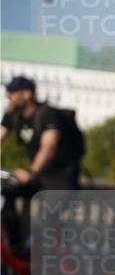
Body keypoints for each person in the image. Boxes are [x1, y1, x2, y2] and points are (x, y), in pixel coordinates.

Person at [1, 76, 84, 255]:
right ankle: (16, 248)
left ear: (27, 94)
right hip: (39, 177)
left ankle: (52, 267)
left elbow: (49, 147)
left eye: (12, 93)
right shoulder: (12, 115)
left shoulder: (47, 115)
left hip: (60, 179)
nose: (8, 96)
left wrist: (31, 171)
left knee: (47, 222)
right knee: (7, 195)